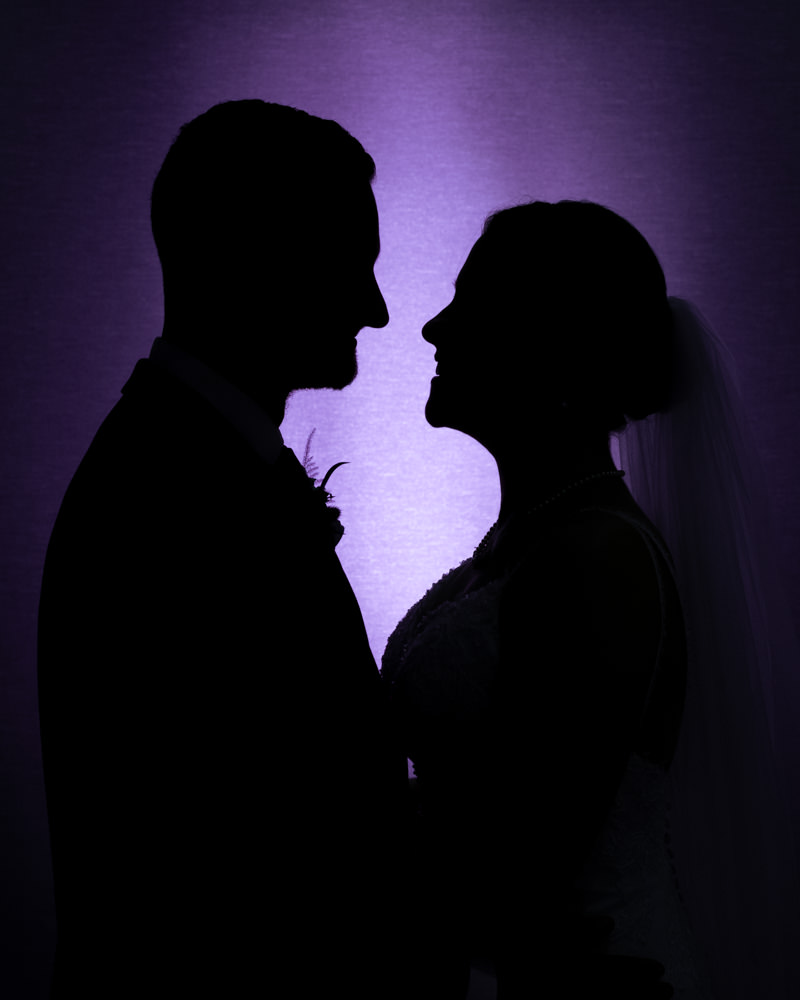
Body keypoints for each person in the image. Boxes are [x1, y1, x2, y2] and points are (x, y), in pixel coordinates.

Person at [382, 200, 800, 998]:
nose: (435, 329)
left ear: (551, 352)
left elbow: (524, 858)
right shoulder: (533, 537)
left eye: (470, 305)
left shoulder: (599, 559)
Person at [37, 100, 409, 998]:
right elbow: (244, 848)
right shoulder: (166, 495)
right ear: (257, 260)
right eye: (350, 265)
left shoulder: (196, 458)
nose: (377, 307)